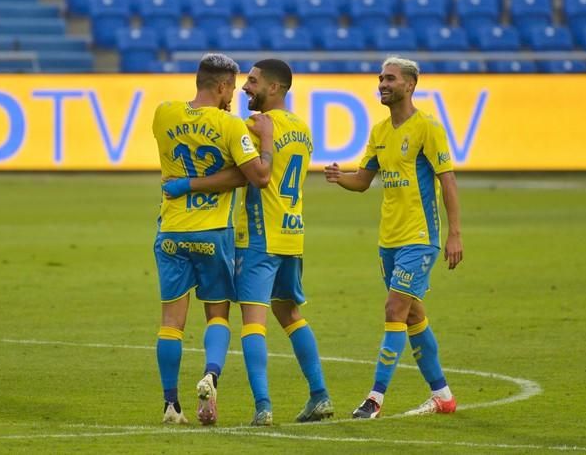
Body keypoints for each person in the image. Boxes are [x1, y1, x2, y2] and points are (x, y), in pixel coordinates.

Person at [324, 57, 463, 418]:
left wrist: (454, 235)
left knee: (393, 309)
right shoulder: (379, 132)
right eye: (380, 78)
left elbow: (447, 180)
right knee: (413, 314)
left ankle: (375, 398)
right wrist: (342, 178)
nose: (382, 84)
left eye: (390, 78)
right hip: (389, 240)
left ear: (410, 85)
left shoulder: (427, 128)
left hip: (420, 237)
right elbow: (363, 181)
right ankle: (443, 395)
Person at [152, 53, 274, 426]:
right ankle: (211, 375)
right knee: (217, 313)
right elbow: (259, 175)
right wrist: (266, 140)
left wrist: (186, 183)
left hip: (171, 230)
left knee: (171, 322)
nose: (233, 95)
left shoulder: (164, 113)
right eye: (232, 88)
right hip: (213, 232)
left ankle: (171, 405)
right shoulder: (229, 125)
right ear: (221, 86)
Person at [234, 59, 333, 426]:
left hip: (259, 237)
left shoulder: (257, 126)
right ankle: (319, 394)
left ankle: (262, 406)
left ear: (275, 88)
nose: (246, 86)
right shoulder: (303, 129)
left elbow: (248, 171)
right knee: (289, 313)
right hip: (292, 234)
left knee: (252, 321)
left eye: (253, 81)